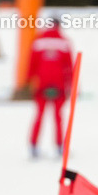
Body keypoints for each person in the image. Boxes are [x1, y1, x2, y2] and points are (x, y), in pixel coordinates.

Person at [26, 17, 74, 158]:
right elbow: (69, 66)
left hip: (41, 84)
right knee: (58, 117)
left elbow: (32, 64)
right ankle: (60, 146)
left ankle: (33, 145)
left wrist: (28, 82)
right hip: (59, 85)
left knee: (39, 116)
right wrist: (72, 84)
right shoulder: (64, 42)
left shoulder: (38, 41)